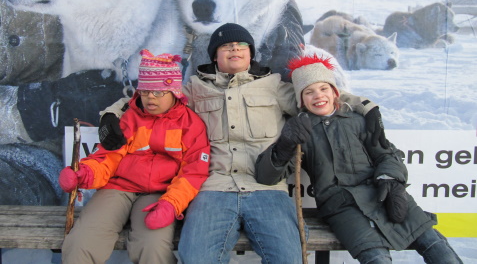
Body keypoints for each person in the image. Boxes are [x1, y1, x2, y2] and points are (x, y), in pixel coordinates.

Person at [98, 23, 385, 263]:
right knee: (195, 257)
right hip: (213, 189)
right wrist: (110, 115)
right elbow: (152, 98)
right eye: (226, 46)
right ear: (214, 56)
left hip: (267, 190)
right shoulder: (195, 90)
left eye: (241, 45)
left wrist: (365, 106)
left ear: (250, 53)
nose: (234, 49)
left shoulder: (274, 87)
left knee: (289, 257)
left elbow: (318, 95)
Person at [255, 54, 463, 264]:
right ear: (301, 100)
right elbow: (267, 176)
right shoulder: (302, 133)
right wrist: (284, 145)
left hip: (382, 193)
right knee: (375, 256)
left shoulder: (358, 121)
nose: (318, 96)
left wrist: (390, 179)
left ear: (336, 92)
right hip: (342, 208)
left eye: (324, 88)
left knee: (434, 243)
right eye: (309, 92)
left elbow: (387, 154)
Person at [59, 50, 210, 263]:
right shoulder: (129, 117)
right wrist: (84, 173)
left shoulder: (191, 125)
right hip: (118, 188)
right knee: (82, 242)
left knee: (152, 247)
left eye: (159, 92)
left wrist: (171, 205)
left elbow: (194, 172)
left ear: (174, 92)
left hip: (160, 194)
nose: (150, 97)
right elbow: (107, 156)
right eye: (146, 91)